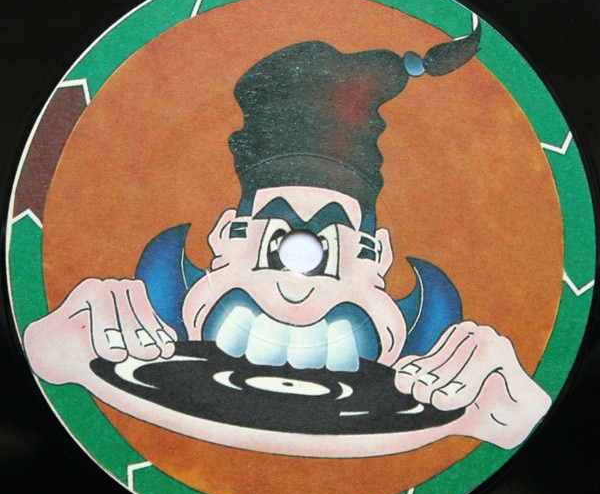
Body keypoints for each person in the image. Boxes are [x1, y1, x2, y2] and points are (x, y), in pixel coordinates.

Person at [24, 26, 551, 449]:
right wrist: (49, 348)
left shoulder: (448, 365)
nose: (296, 282)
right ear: (226, 237)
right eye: (276, 240)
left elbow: (513, 427)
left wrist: (515, 411)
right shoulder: (135, 322)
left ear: (377, 257)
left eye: (330, 243)